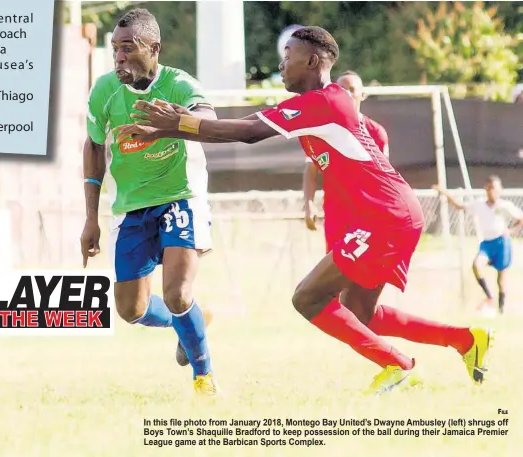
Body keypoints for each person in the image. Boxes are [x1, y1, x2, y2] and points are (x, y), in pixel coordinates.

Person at [116, 26, 493, 394]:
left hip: (385, 217)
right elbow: (247, 124)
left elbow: (247, 135)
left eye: (287, 57)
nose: (281, 65)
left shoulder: (325, 102)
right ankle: (466, 340)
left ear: (312, 61)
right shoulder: (310, 105)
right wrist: (176, 124)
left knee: (307, 298)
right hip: (388, 214)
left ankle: (396, 364)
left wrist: (175, 125)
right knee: (360, 313)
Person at [80, 8, 221, 396]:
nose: (120, 57)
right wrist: (90, 218)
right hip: (130, 208)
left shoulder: (178, 85)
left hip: (180, 197)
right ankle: (193, 319)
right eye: (115, 50)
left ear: (154, 48)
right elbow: (93, 145)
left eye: (129, 48)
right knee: (131, 310)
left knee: (176, 293)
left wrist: (169, 124)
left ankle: (203, 378)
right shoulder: (105, 91)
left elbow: (207, 115)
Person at [303, 70, 389, 253]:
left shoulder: (376, 133)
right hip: (336, 216)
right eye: (341, 89)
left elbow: (385, 180)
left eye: (352, 89)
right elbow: (311, 170)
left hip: (368, 217)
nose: (347, 93)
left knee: (367, 276)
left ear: (362, 94)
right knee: (336, 272)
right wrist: (309, 204)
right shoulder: (323, 132)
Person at [434, 176, 522, 314]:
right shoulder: (479, 204)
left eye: (495, 188)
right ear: (486, 189)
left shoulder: (505, 205)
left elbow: (520, 219)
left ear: (500, 190)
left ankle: (501, 311)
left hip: (502, 243)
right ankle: (489, 296)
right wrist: (444, 191)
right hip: (487, 243)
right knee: (476, 265)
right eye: (489, 188)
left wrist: (510, 231)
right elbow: (459, 206)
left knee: (501, 280)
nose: (492, 191)